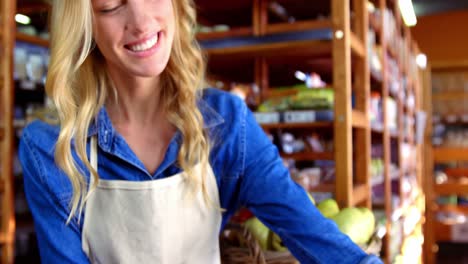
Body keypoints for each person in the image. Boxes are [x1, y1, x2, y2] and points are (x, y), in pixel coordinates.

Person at [18, 0, 383, 263]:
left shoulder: (226, 123)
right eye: (112, 5)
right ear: (85, 24)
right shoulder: (51, 147)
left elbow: (316, 238)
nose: (141, 21)